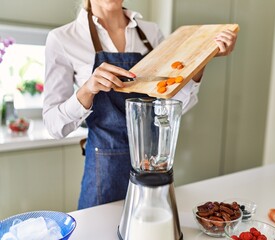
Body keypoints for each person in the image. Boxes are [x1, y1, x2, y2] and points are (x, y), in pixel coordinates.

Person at [43, 0, 238, 209]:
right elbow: (54, 126)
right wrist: (87, 89)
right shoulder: (63, 39)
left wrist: (200, 63)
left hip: (153, 165)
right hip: (104, 170)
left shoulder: (151, 33)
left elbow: (170, 107)